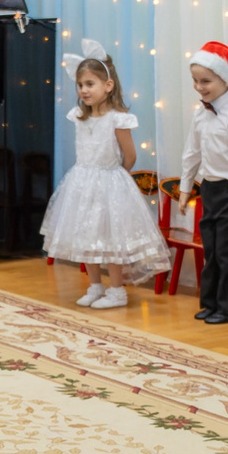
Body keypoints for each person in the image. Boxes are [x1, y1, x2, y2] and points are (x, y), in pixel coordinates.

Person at [43, 48, 168, 310]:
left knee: (112, 239)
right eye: (80, 85)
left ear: (108, 85)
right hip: (81, 182)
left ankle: (117, 290)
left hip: (110, 182)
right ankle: (95, 285)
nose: (84, 90)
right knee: (86, 235)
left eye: (90, 84)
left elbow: (130, 155)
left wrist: (113, 175)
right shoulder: (78, 116)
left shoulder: (118, 119)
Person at [178, 43, 228, 326]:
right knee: (210, 249)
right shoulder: (201, 114)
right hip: (210, 190)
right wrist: (185, 188)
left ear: (226, 80)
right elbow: (192, 152)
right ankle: (210, 303)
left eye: (206, 81)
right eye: (195, 81)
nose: (199, 87)